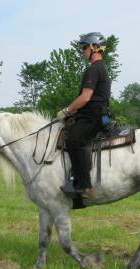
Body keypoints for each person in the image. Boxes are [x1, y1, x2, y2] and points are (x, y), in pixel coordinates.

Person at [57, 32, 111, 201]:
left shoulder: (94, 69)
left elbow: (86, 97)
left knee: (74, 140)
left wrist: (67, 110)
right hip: (97, 114)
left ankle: (83, 186)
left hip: (92, 116)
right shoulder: (100, 68)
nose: (82, 51)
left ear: (95, 47)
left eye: (84, 47)